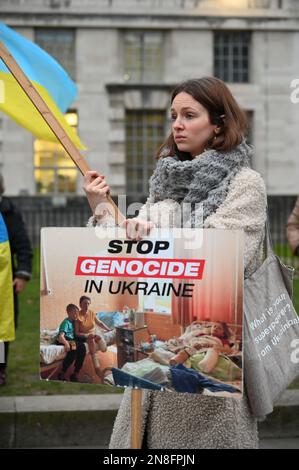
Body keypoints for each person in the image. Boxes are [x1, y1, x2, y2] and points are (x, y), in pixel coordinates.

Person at [83, 77, 267, 449]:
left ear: (218, 123)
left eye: (189, 115)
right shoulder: (165, 182)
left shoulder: (246, 184)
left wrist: (153, 236)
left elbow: (222, 257)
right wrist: (101, 206)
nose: (177, 125)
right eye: (173, 116)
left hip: (213, 341)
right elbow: (123, 257)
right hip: (158, 371)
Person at [0, 173, 32, 386]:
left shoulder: (9, 212)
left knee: (1, 329)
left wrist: (22, 274)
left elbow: (23, 247)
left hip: (3, 283)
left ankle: (0, 369)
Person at [75, 295, 108, 377]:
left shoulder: (92, 313)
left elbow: (99, 323)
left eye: (88, 304)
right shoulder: (77, 316)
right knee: (91, 341)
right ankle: (97, 369)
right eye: (84, 303)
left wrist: (108, 329)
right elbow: (76, 333)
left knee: (104, 348)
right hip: (85, 336)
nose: (86, 306)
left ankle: (99, 339)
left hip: (94, 334)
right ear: (80, 305)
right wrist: (87, 335)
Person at [56, 303, 86, 382]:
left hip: (72, 340)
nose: (77, 315)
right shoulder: (66, 322)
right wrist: (66, 344)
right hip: (64, 340)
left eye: (77, 313)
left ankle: (75, 373)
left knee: (83, 347)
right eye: (75, 313)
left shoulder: (74, 322)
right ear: (69, 313)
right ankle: (62, 372)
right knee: (73, 348)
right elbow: (60, 336)